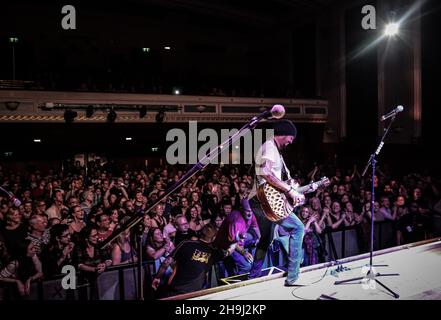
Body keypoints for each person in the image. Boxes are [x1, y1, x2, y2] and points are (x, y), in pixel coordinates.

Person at [249, 119, 307, 286]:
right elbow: (266, 172)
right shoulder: (269, 147)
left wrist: (289, 184)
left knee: (266, 238)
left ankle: (253, 276)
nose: (291, 142)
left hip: (258, 200)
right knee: (298, 228)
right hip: (265, 200)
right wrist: (289, 190)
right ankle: (293, 276)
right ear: (285, 134)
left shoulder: (273, 149)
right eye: (291, 138)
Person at [151, 223, 235, 297]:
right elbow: (228, 252)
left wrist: (157, 277)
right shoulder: (213, 251)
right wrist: (236, 241)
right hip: (194, 293)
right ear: (213, 238)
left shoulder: (186, 243)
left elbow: (166, 262)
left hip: (176, 290)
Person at [213, 199, 260, 275]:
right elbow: (233, 244)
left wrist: (260, 239)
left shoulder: (251, 214)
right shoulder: (236, 222)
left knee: (252, 238)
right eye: (247, 211)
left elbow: (255, 227)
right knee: (246, 266)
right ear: (241, 209)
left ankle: (253, 260)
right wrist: (244, 253)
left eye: (251, 211)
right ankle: (239, 282)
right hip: (227, 245)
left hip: (237, 239)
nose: (250, 214)